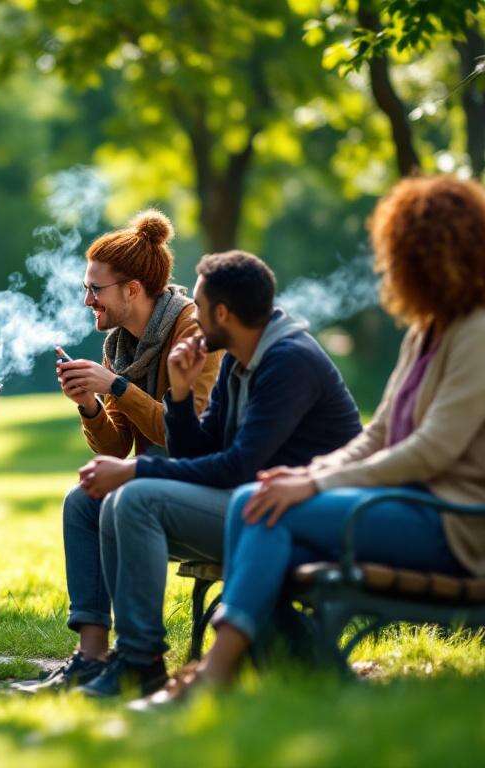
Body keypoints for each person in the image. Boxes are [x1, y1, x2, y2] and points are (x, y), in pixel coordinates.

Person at [135, 175, 485, 709]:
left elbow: (432, 450)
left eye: (401, 254)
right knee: (259, 500)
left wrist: (315, 483)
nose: (392, 269)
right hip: (407, 508)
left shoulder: (484, 334)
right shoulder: (431, 330)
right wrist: (305, 478)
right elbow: (378, 435)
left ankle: (216, 672)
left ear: (439, 255)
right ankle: (288, 660)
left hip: (456, 527)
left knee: (265, 508)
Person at [71, 250, 363, 698]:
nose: (193, 317)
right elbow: (202, 448)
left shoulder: (290, 361)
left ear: (221, 313)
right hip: (255, 506)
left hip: (301, 518)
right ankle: (132, 660)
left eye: (200, 309)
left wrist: (136, 469)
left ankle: (138, 658)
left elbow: (239, 466)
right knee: (112, 501)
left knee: (135, 498)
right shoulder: (238, 360)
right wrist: (182, 396)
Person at [29, 210, 222, 692]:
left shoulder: (192, 333)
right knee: (82, 500)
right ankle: (91, 654)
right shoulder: (121, 344)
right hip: (157, 476)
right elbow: (117, 441)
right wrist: (91, 404)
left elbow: (189, 436)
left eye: (96, 289)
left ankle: (140, 659)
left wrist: (116, 386)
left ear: (132, 290)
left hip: (201, 481)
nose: (87, 299)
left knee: (115, 498)